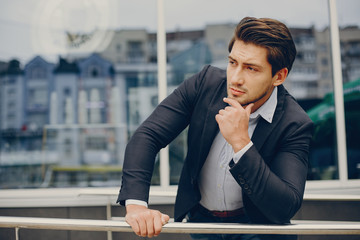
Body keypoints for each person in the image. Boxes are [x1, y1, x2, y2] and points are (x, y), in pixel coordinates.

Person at [117, 16, 314, 240]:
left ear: (279, 76)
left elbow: (285, 206)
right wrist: (136, 206)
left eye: (251, 68)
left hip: (257, 229)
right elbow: (148, 135)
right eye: (233, 63)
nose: (236, 78)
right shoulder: (205, 84)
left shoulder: (295, 123)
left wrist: (241, 144)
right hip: (202, 223)